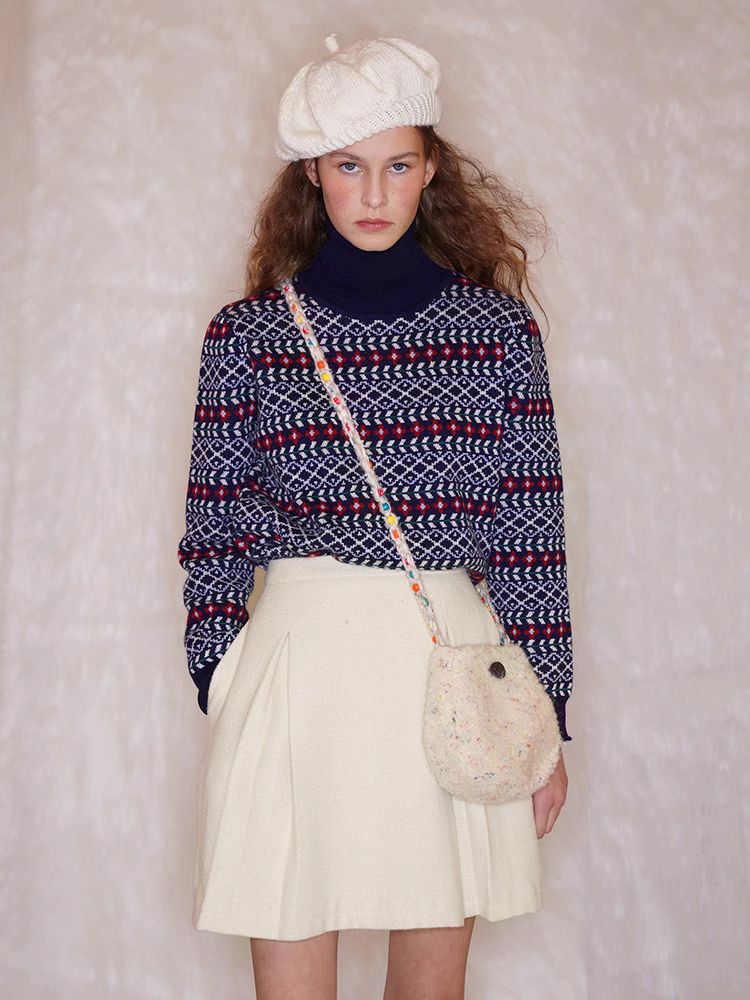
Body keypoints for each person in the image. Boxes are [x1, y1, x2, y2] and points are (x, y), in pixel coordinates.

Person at [177, 33, 574, 1000]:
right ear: (312, 172)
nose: (373, 193)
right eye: (349, 166)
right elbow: (214, 527)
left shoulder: (495, 332)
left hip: (447, 684)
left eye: (397, 165)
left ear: (430, 169)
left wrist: (546, 716)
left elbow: (529, 533)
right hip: (296, 674)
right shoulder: (249, 335)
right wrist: (220, 672)